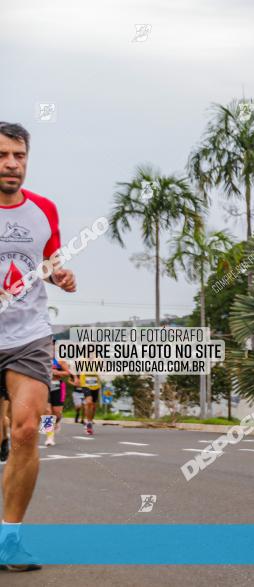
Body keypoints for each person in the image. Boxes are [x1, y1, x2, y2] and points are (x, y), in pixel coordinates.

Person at [0, 122, 77, 572]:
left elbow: (48, 261)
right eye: (3, 155)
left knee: (27, 428)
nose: (12, 164)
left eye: (19, 155)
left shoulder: (44, 209)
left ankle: (10, 540)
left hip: (28, 334)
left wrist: (59, 275)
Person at [45, 342, 72, 447]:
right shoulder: (41, 359)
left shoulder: (59, 360)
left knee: (57, 413)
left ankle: (57, 422)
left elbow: (67, 372)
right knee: (47, 411)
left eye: (52, 345)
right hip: (44, 386)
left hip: (57, 387)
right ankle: (49, 437)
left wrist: (57, 373)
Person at [78, 369, 101, 435]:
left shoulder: (98, 360)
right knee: (88, 402)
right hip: (85, 385)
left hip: (95, 385)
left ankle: (90, 422)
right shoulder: (81, 360)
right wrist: (76, 378)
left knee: (93, 406)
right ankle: (88, 423)